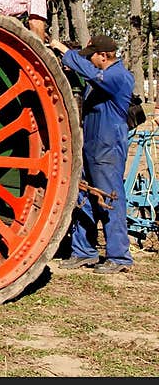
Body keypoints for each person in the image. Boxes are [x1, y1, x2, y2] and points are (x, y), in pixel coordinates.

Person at [48, 33, 134, 274]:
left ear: (104, 56)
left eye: (93, 56)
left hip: (108, 144)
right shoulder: (102, 77)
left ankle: (119, 256)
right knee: (83, 195)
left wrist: (63, 50)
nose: (91, 60)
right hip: (92, 143)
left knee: (109, 196)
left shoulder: (118, 76)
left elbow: (91, 72)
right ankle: (84, 251)